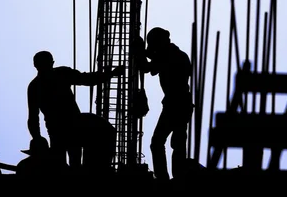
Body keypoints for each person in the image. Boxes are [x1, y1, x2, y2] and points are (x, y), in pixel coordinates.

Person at [26, 50, 123, 173]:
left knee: (69, 163)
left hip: (67, 127)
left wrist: (37, 138)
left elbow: (87, 79)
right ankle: (90, 171)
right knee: (65, 164)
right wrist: (37, 138)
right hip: (65, 128)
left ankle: (89, 170)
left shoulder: (37, 85)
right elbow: (87, 79)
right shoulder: (55, 76)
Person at [134, 27, 194, 181]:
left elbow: (147, 68)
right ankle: (177, 176)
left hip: (175, 104)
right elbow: (155, 60)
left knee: (159, 142)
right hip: (181, 103)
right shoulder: (176, 54)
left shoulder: (168, 56)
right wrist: (145, 51)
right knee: (177, 142)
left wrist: (140, 51)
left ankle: (165, 179)